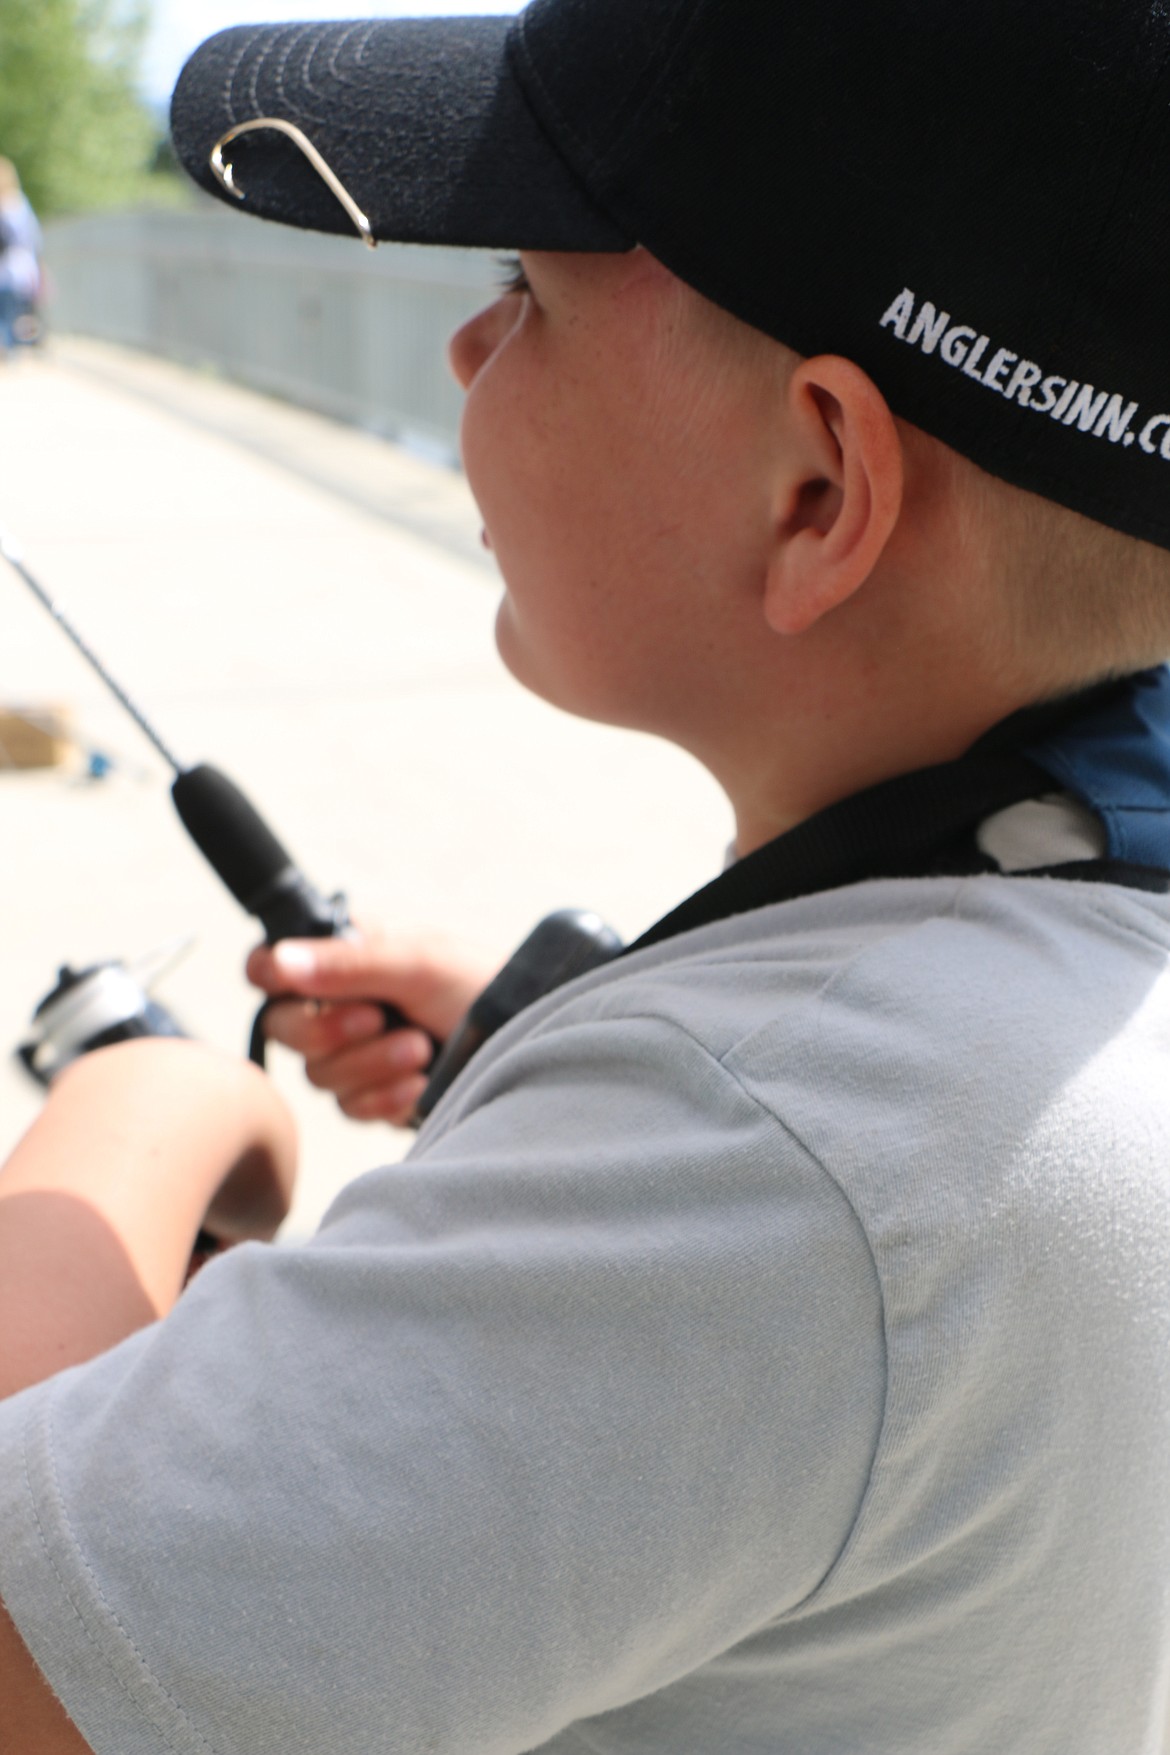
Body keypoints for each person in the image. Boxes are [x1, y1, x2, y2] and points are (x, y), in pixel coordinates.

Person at [3, 0, 1170, 1749]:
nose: (467, 351)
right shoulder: (1012, 1006)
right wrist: (538, 1035)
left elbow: (44, 1667)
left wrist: (143, 1108)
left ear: (815, 495)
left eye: (528, 295)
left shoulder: (785, 1155)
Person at [0, 159, 42, 357]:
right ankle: (12, 349)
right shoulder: (18, 203)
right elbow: (32, 237)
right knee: (15, 310)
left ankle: (7, 348)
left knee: (5, 311)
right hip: (18, 267)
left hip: (9, 267)